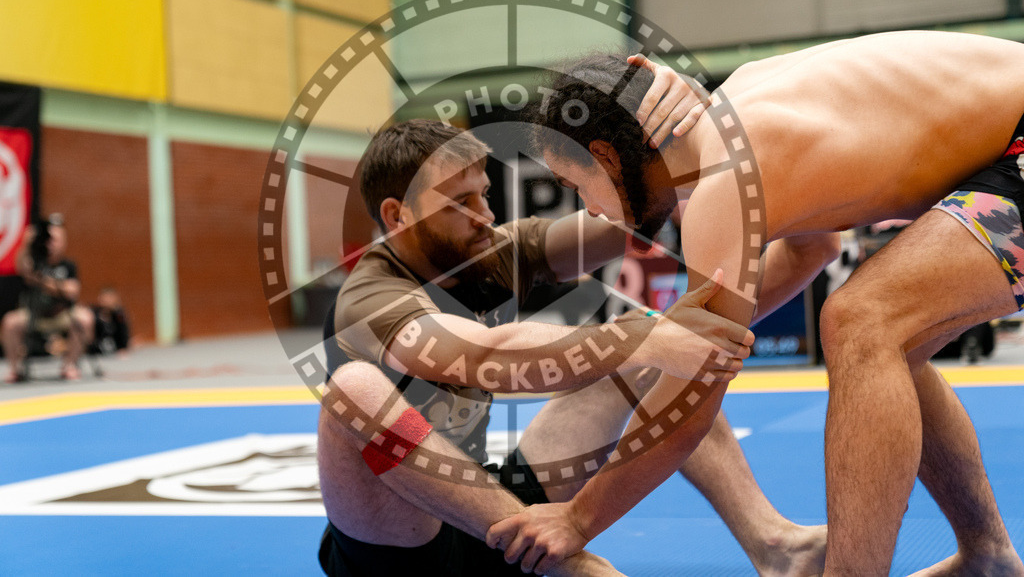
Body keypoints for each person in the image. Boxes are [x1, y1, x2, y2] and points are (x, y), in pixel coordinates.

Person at [487, 31, 1024, 576]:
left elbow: (688, 408)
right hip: (1008, 137)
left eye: (574, 183)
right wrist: (695, 339)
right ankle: (988, 558)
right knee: (886, 336)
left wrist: (579, 519)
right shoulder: (732, 113)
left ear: (603, 155)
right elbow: (814, 247)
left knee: (863, 321)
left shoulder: (724, 180)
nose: (590, 209)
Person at [318, 118, 826, 576]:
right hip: (398, 551)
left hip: (488, 524)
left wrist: (710, 162)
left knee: (650, 342)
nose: (485, 215)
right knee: (351, 390)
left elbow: (627, 220)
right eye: (461, 202)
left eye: (484, 195)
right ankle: (568, 563)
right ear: (397, 214)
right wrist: (639, 340)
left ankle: (776, 547)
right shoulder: (370, 298)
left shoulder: (491, 251)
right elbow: (481, 356)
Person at [2, 214, 94, 381]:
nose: (51, 244)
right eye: (48, 239)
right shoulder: (34, 262)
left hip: (61, 314)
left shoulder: (68, 265)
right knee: (10, 322)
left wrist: (42, 281)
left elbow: (72, 291)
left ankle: (70, 365)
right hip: (34, 314)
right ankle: (16, 369)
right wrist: (26, 244)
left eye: (55, 240)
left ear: (63, 243)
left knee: (85, 318)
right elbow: (21, 268)